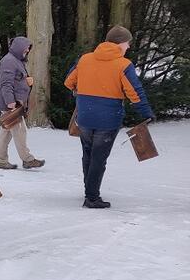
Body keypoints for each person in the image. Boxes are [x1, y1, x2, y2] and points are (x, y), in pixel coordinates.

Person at [64, 25, 155, 208]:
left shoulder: (85, 59)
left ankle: (89, 190)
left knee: (88, 154)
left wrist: (82, 92)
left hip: (85, 116)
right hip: (108, 120)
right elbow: (135, 92)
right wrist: (146, 113)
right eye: (127, 43)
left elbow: (68, 82)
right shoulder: (123, 65)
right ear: (120, 43)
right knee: (99, 158)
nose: (128, 47)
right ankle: (92, 197)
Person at [0, 36, 45, 170]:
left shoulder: (16, 61)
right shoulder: (9, 61)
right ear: (19, 47)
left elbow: (16, 80)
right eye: (26, 48)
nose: (27, 50)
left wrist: (26, 81)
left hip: (15, 103)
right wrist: (11, 103)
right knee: (20, 131)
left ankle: (1, 161)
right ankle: (27, 160)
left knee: (6, 132)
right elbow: (6, 84)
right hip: (12, 104)